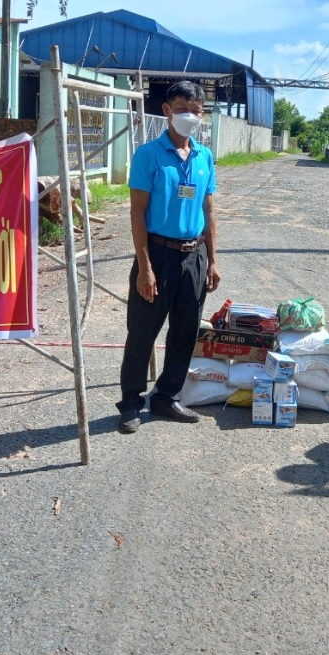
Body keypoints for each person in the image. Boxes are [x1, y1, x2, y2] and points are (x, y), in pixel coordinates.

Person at [115, 81, 222, 434]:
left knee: (185, 332)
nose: (189, 117)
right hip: (157, 256)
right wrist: (144, 267)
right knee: (142, 331)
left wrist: (213, 259)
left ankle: (165, 397)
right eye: (181, 110)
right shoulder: (148, 155)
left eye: (195, 110)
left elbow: (209, 210)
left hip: (193, 257)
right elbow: (137, 213)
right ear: (166, 111)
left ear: (203, 113)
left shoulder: (204, 157)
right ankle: (131, 402)